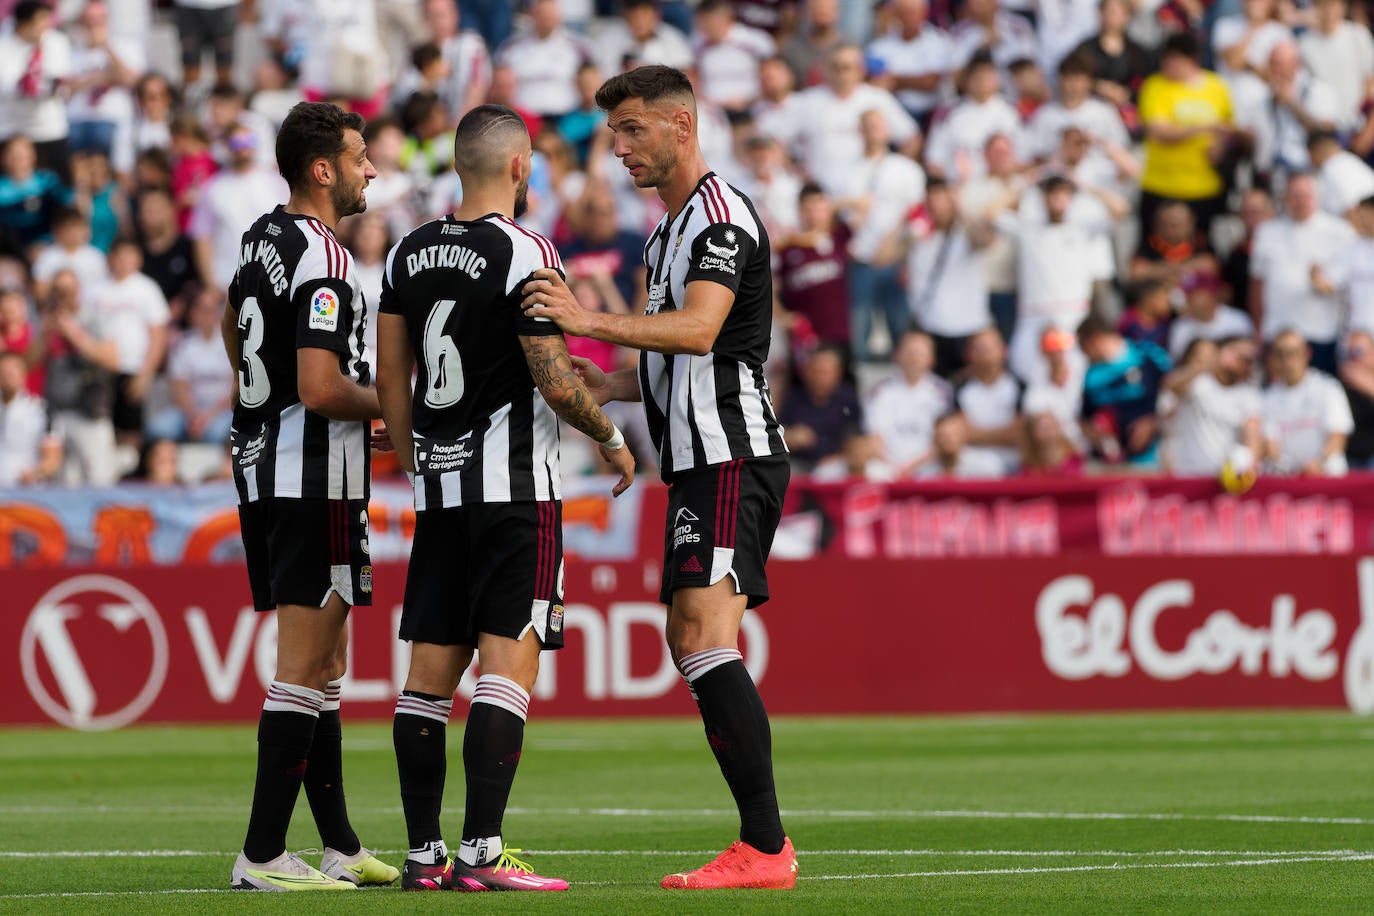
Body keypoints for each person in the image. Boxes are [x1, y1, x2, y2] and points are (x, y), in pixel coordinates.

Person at [522, 64, 797, 890]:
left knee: (705, 639)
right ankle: (763, 844)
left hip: (729, 451)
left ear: (681, 127)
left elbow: (701, 329)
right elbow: (675, 355)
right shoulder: (664, 230)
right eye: (612, 136)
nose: (619, 151)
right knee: (692, 641)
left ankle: (767, 848)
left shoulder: (719, 219)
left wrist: (585, 319)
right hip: (694, 462)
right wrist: (607, 382)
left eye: (632, 131)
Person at [375, 104, 634, 893]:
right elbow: (556, 382)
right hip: (518, 490)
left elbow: (394, 380)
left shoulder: (406, 252)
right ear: (521, 168)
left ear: (460, 166)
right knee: (506, 670)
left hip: (443, 493)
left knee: (426, 681)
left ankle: (424, 854)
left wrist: (412, 446)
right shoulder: (527, 251)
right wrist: (610, 436)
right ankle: (483, 852)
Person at [222, 101, 397, 892]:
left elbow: (233, 325)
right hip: (312, 472)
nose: (372, 170)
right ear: (321, 169)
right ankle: (262, 853)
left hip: (264, 464)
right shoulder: (325, 257)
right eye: (361, 157)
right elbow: (323, 388)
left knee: (329, 661)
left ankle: (338, 843)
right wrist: (392, 406)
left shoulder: (263, 237)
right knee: (305, 664)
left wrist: (262, 402)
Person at [1261, 329, 1353, 475]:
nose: (1287, 360)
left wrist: (1318, 463)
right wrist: (1287, 468)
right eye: (1281, 354)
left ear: (1307, 353)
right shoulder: (1267, 398)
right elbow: (1271, 444)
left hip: (1327, 475)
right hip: (1287, 478)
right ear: (1274, 358)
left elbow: (1337, 436)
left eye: (1293, 353)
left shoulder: (1328, 388)